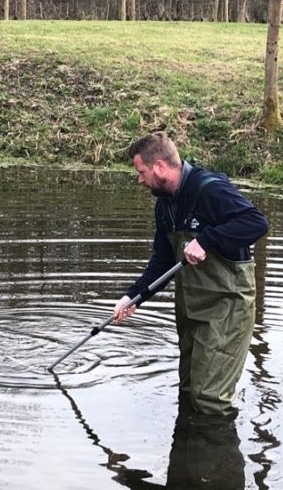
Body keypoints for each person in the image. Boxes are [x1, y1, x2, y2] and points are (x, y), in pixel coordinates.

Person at [113, 132, 268, 415]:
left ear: (159, 166)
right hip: (191, 311)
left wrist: (208, 239)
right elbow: (161, 262)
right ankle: (185, 460)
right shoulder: (165, 205)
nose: (140, 180)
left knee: (210, 400)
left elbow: (256, 223)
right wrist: (132, 297)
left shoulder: (209, 190)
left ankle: (218, 457)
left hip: (226, 308)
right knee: (187, 392)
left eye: (142, 172)